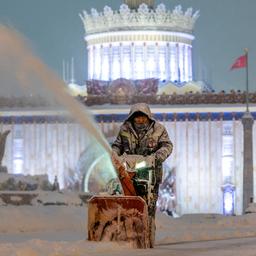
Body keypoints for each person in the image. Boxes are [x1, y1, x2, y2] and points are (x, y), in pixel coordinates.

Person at [111, 103, 173, 247]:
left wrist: (157, 156)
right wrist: (114, 154)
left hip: (150, 172)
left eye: (142, 117)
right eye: (136, 118)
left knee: (148, 206)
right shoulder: (125, 129)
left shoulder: (158, 130)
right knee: (121, 196)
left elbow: (167, 145)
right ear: (132, 118)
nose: (139, 120)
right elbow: (117, 145)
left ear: (148, 117)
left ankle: (147, 235)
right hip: (129, 170)